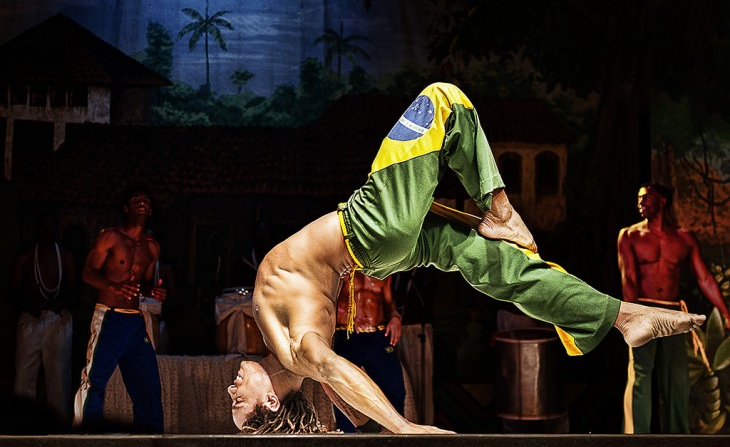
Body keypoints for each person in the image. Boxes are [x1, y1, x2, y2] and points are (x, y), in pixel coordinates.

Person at [228, 82, 705, 435]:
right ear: (270, 398)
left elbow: (329, 376)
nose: (230, 390)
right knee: (443, 99)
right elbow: (330, 366)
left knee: (505, 270)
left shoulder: (294, 358)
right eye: (238, 403)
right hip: (368, 230)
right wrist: (405, 428)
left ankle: (619, 318)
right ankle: (500, 206)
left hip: (381, 254)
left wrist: (356, 416)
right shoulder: (300, 350)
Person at [618, 182, 730, 434]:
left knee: (677, 379)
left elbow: (705, 279)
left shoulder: (683, 238)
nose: (641, 203)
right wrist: (630, 316)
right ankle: (636, 438)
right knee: (641, 376)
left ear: (662, 200)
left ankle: (677, 437)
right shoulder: (629, 235)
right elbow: (629, 279)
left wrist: (725, 312)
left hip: (673, 313)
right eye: (639, 199)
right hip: (643, 310)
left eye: (646, 198)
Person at [73, 187, 167, 433]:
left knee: (148, 385)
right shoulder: (111, 237)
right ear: (126, 208)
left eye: (146, 200)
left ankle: (150, 438)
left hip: (135, 322)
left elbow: (144, 285)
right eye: (137, 199)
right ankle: (83, 439)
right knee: (94, 383)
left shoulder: (152, 247)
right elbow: (87, 273)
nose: (142, 203)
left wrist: (153, 292)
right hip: (109, 318)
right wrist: (112, 286)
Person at [10, 213, 77, 425]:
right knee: (24, 374)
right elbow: (13, 292)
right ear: (37, 230)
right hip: (31, 319)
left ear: (57, 231)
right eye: (43, 227)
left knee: (58, 378)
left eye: (51, 227)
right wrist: (29, 305)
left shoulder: (66, 257)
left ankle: (57, 425)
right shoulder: (26, 257)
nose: (47, 232)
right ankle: (21, 423)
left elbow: (75, 292)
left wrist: (59, 304)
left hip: (57, 320)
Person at [332, 272, 406, 432]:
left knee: (395, 390)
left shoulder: (384, 272)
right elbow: (327, 303)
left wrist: (394, 317)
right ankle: (349, 440)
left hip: (379, 335)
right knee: (346, 391)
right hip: (348, 334)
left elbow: (388, 302)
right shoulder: (342, 271)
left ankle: (393, 438)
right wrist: (348, 316)